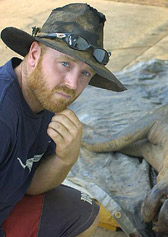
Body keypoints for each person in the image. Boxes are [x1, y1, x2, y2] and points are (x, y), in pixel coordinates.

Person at [0, 3, 126, 236]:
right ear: (35, 54)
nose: (72, 84)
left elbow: (29, 185)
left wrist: (65, 159)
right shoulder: (3, 115)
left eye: (85, 73)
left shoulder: (46, 100)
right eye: (65, 64)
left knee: (83, 213)